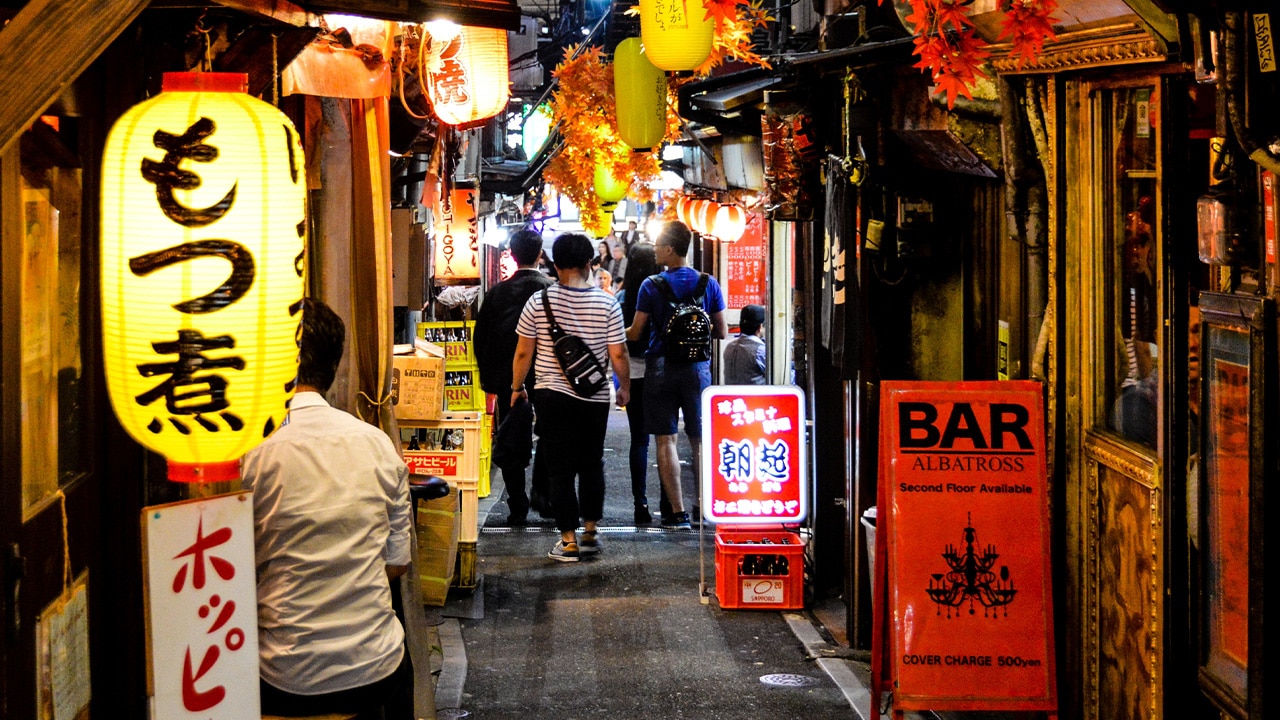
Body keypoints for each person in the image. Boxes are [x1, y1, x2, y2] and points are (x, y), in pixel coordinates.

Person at [241, 298, 413, 717]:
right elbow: (397, 564)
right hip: (377, 668)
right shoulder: (378, 445)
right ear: (335, 365)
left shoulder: (251, 455)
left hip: (285, 676)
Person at [512, 233, 630, 561]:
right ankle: (591, 531)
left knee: (560, 468)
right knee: (592, 462)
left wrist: (516, 387)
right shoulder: (607, 303)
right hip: (593, 397)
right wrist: (625, 388)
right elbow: (618, 354)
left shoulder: (539, 301)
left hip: (551, 395)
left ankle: (568, 542)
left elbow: (524, 353)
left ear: (555, 263)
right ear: (589, 263)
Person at [626, 220, 727, 528]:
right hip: (697, 370)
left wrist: (613, 331)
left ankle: (678, 512)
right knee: (699, 440)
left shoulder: (651, 285)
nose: (655, 250)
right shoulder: (708, 283)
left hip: (660, 369)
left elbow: (636, 332)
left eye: (658, 246)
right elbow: (721, 331)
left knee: (665, 440)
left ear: (669, 249)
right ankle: (702, 507)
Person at [474, 229, 554, 524]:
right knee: (548, 435)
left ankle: (517, 504)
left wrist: (489, 378)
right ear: (540, 254)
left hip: (509, 381)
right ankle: (545, 499)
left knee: (512, 436)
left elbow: (480, 338)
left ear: (512, 254)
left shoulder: (497, 293)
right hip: (548, 378)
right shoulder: (551, 290)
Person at [618, 241, 669, 524]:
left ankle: (641, 504)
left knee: (639, 440)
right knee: (665, 439)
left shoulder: (625, 296)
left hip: (635, 373)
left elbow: (622, 341)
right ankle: (668, 502)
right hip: (661, 371)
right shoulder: (663, 290)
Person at [723, 304, 767, 385]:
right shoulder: (760, 350)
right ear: (760, 327)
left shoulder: (729, 347)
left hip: (732, 396)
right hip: (755, 397)